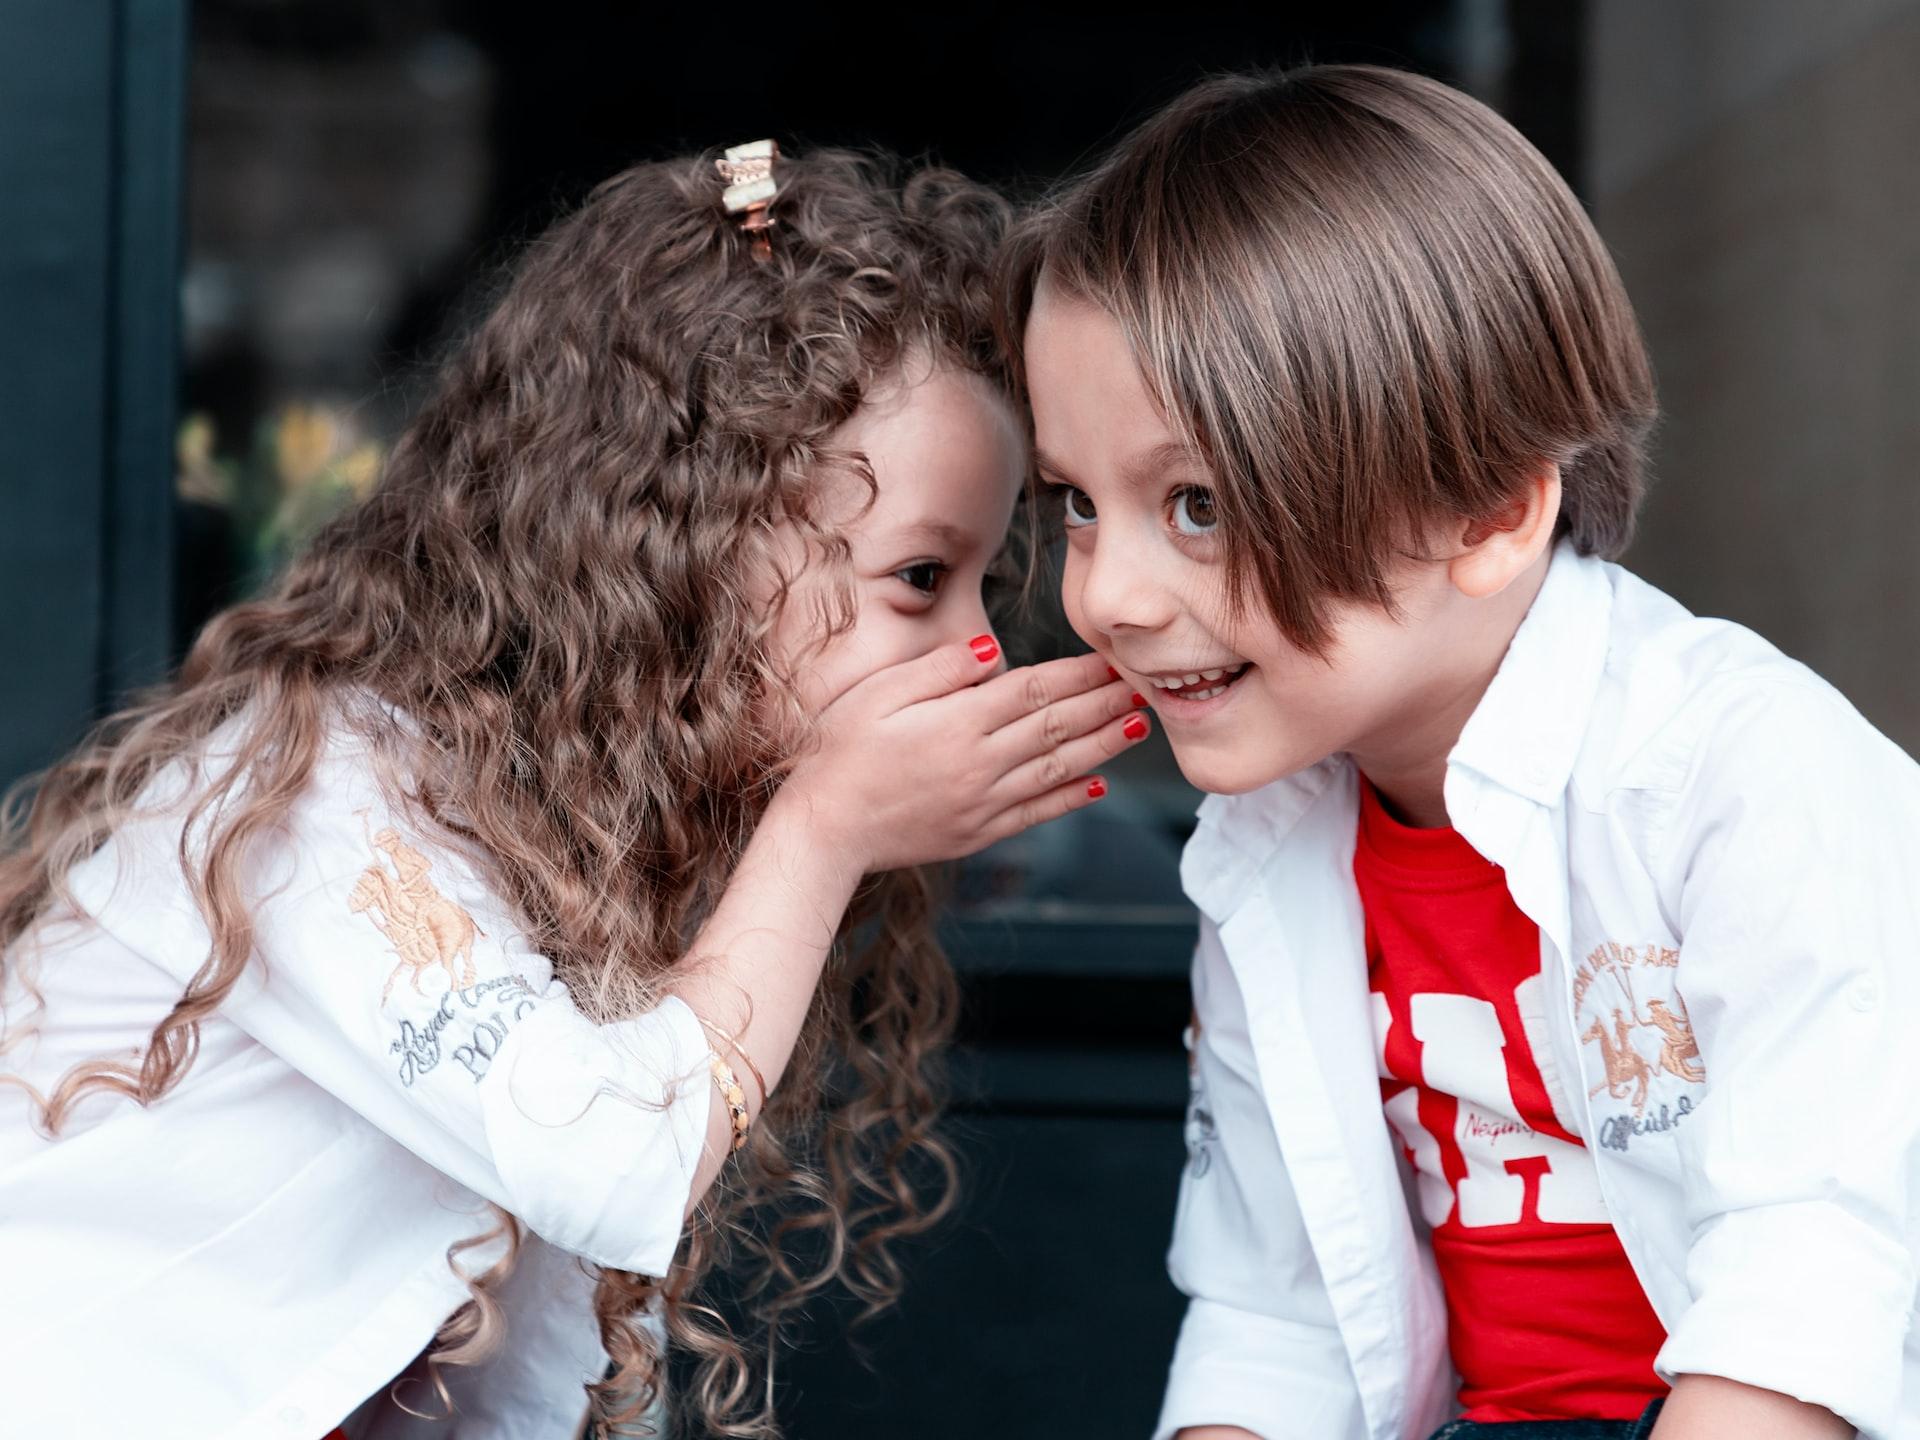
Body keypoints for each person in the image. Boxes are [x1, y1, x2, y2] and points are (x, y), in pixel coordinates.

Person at [0, 142, 1151, 1440]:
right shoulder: (319, 792)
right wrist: (823, 829)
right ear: (692, 545)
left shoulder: (567, 826)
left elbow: (543, 1371)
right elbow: (610, 1162)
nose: (962, 651)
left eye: (984, 589)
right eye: (918, 580)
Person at [1001, 65, 1918, 1440]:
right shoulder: (1269, 848)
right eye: (1077, 502)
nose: (1109, 595)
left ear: (1489, 509)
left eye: (1196, 503)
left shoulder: (1746, 778)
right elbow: (1279, 1318)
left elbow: (1813, 1288)